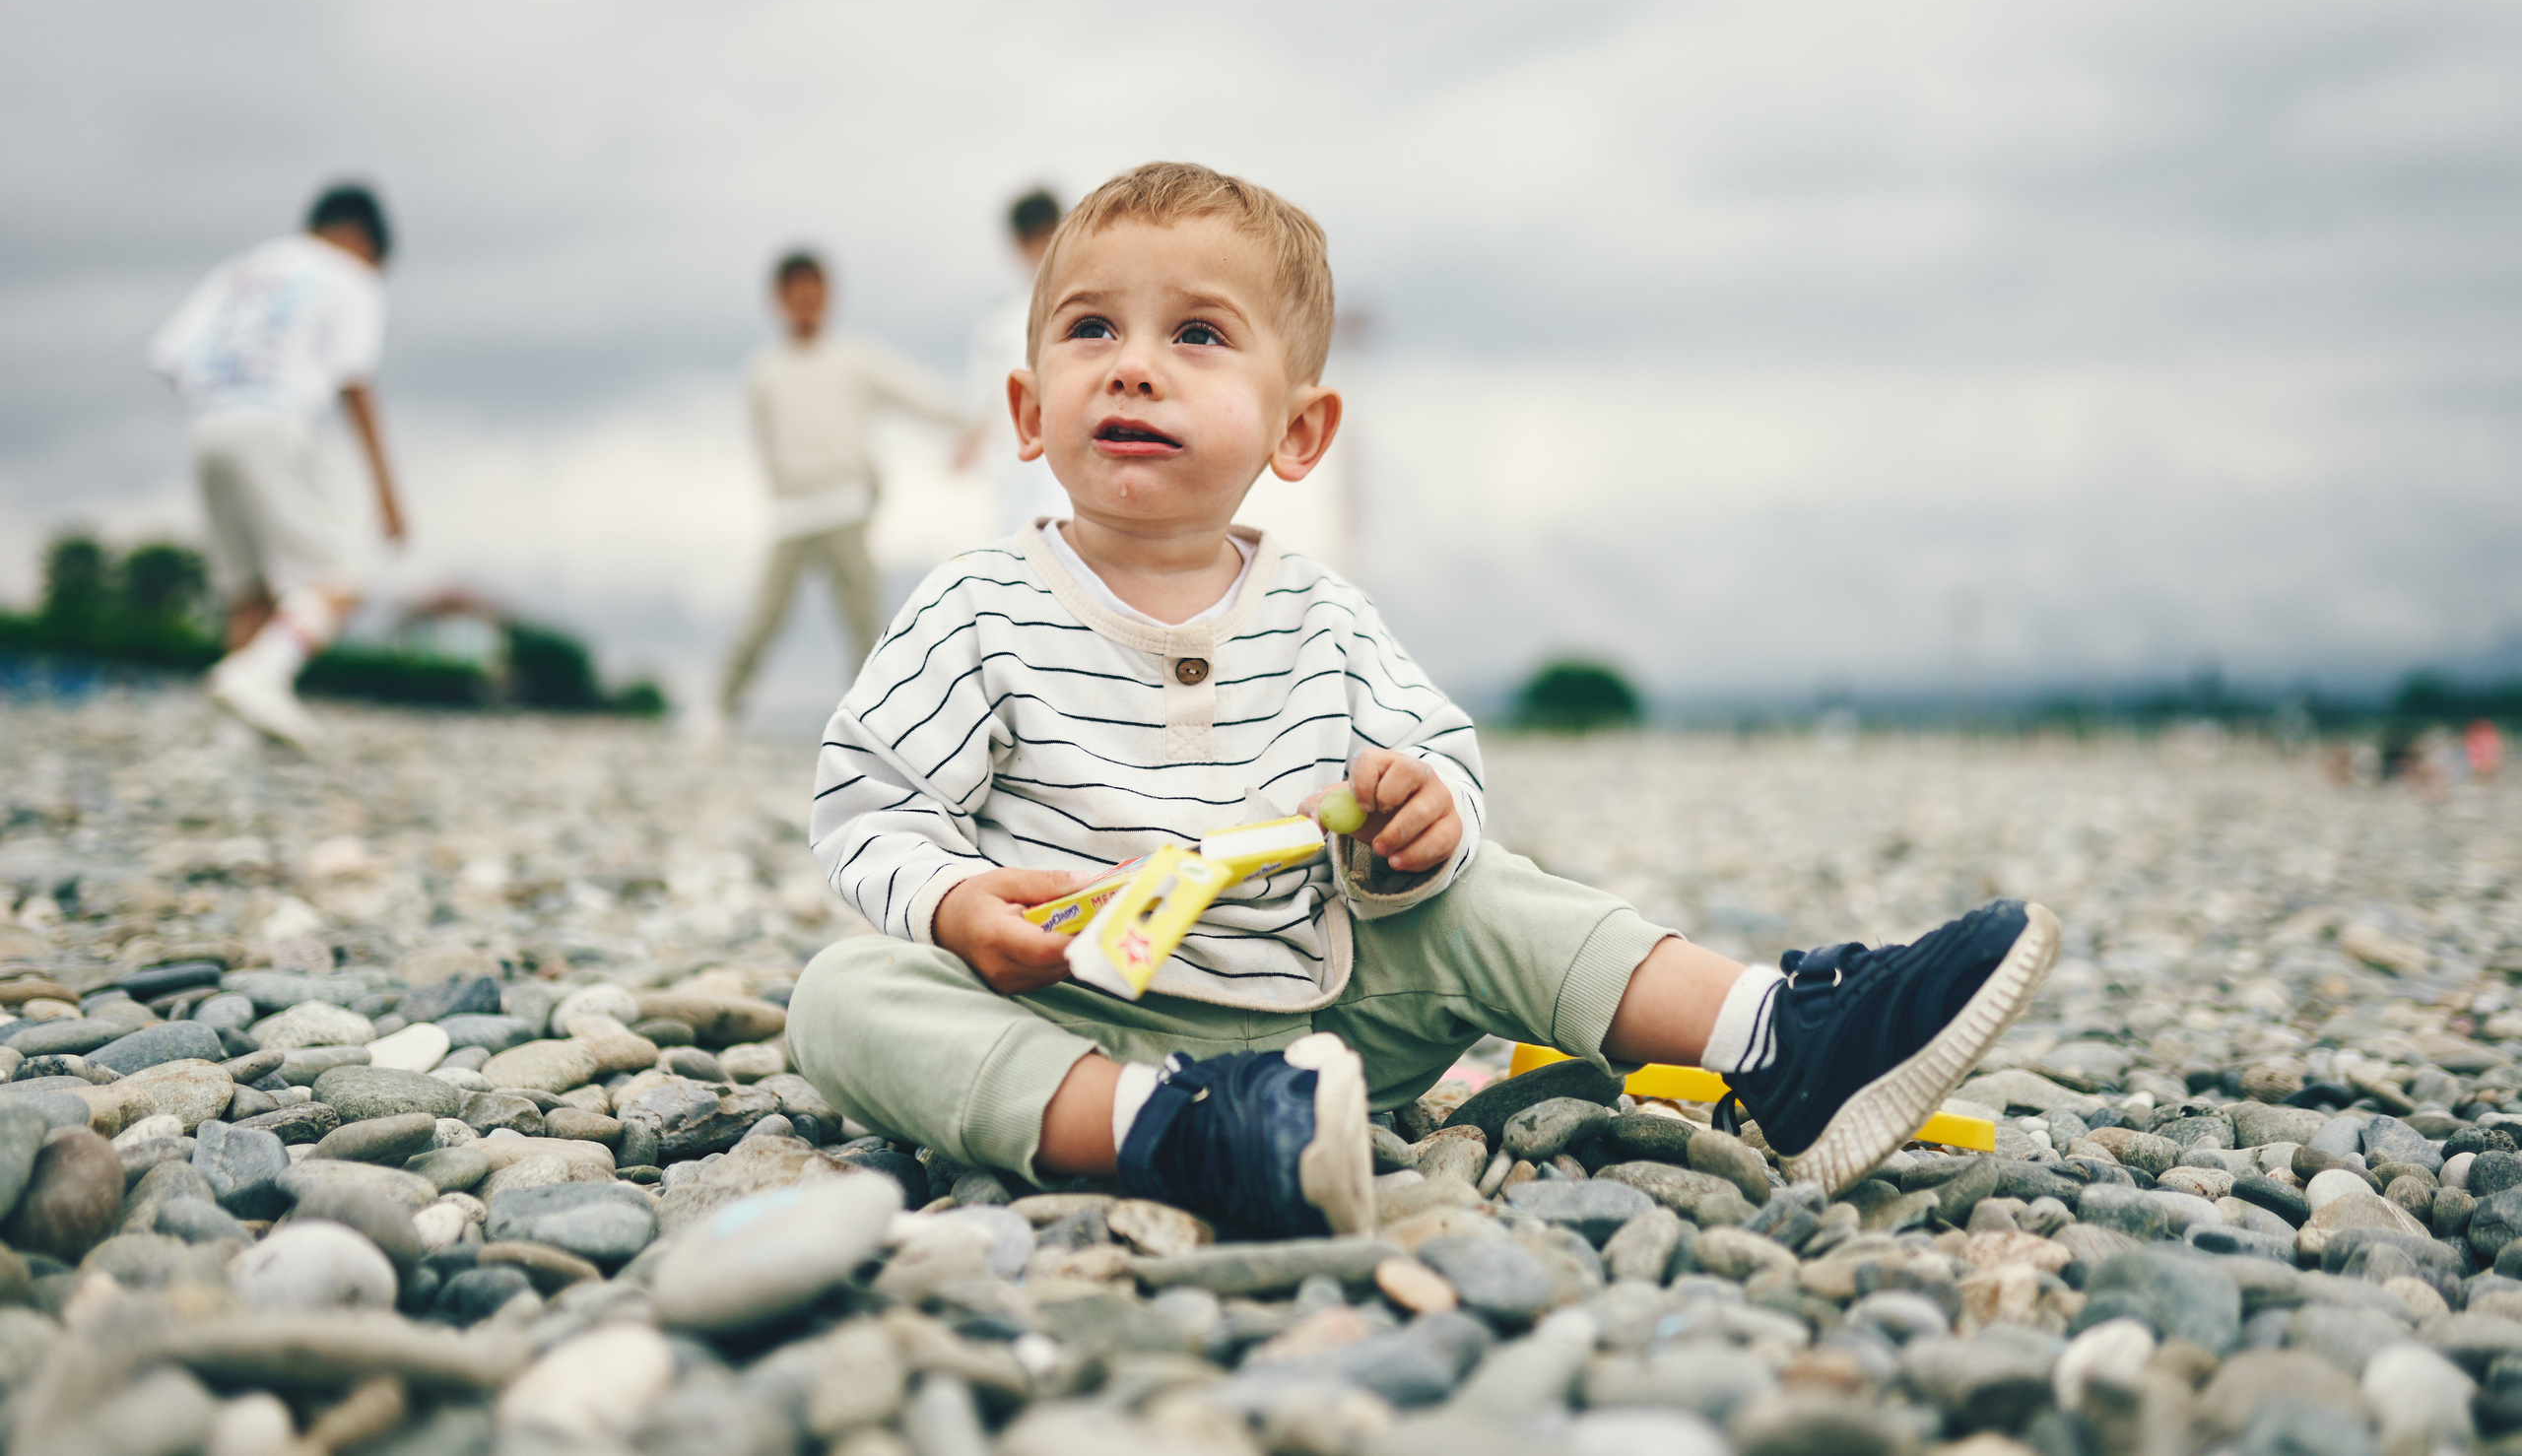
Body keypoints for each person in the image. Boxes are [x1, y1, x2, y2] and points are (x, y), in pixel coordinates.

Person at [785, 164, 2058, 1236]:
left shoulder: (1320, 610)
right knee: (844, 993)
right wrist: (951, 900)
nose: (1134, 369)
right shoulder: (978, 604)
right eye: (1090, 330)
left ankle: (1781, 1043)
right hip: (1069, 1014)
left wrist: (1421, 806)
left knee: (1487, 888)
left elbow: (1431, 750)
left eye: (1198, 334)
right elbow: (870, 802)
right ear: (1025, 408)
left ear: (1299, 430)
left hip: (1326, 998)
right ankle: (1178, 1137)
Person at [148, 182, 406, 749]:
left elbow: (170, 358)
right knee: (343, 575)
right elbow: (353, 379)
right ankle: (263, 674)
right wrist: (387, 492)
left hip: (209, 424)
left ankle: (234, 750)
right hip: (278, 421)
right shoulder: (349, 274)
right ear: (364, 240)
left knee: (247, 592)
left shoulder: (246, 268)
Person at [719, 249, 968, 721]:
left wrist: (969, 421)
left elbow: (913, 393)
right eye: (796, 297)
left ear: (828, 297)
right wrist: (780, 493)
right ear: (779, 301)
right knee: (763, 619)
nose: (806, 305)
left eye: (814, 296)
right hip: (793, 514)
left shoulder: (854, 358)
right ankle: (720, 708)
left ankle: (872, 720)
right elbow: (764, 444)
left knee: (862, 623)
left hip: (846, 510)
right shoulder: (764, 370)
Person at [952, 188, 1071, 532]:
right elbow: (984, 392)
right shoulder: (997, 318)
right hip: (1012, 454)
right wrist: (970, 442)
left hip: (1064, 444)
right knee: (1020, 542)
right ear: (1017, 245)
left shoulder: (1085, 303)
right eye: (1030, 239)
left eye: (1045, 235)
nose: (1039, 248)